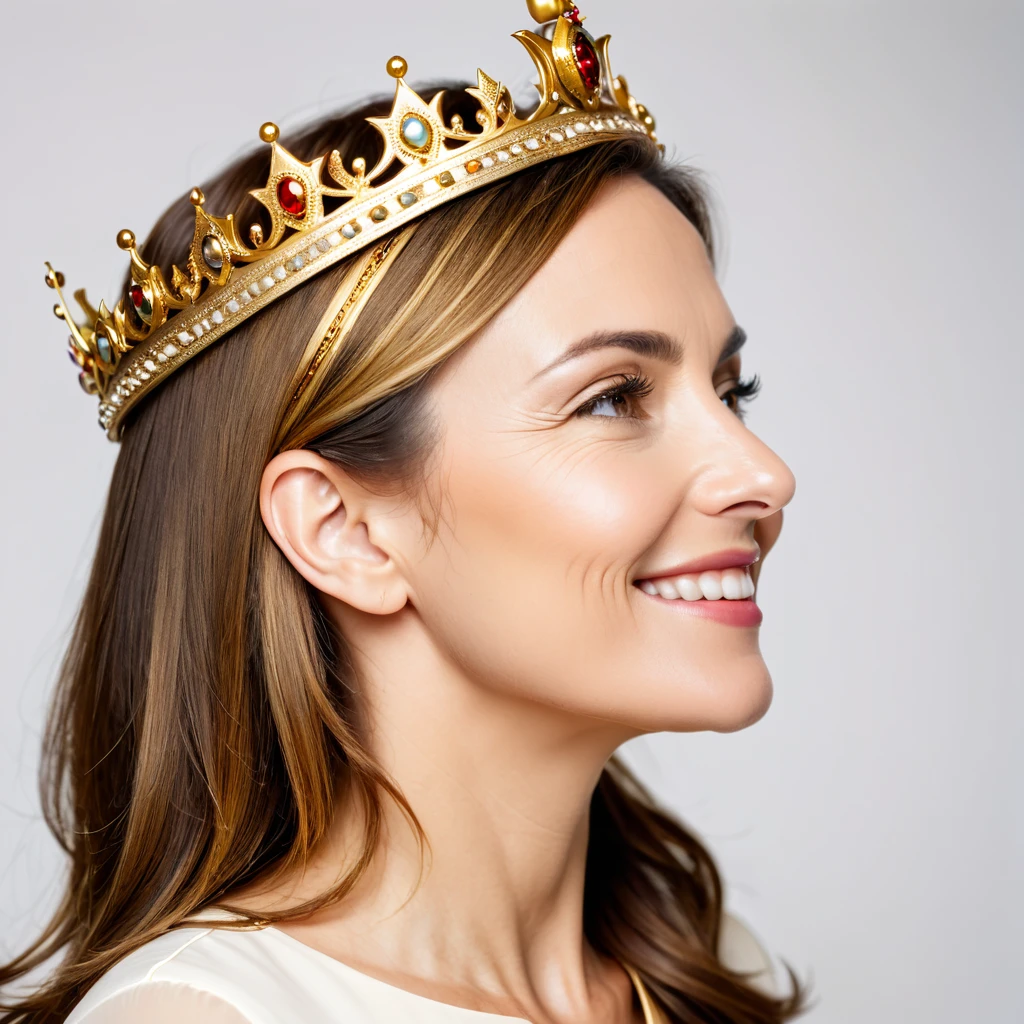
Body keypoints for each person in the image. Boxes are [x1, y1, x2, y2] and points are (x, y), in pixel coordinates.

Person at [2, 2, 809, 1021]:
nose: (762, 472)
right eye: (613, 396)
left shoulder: (697, 965)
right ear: (343, 529)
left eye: (730, 391)